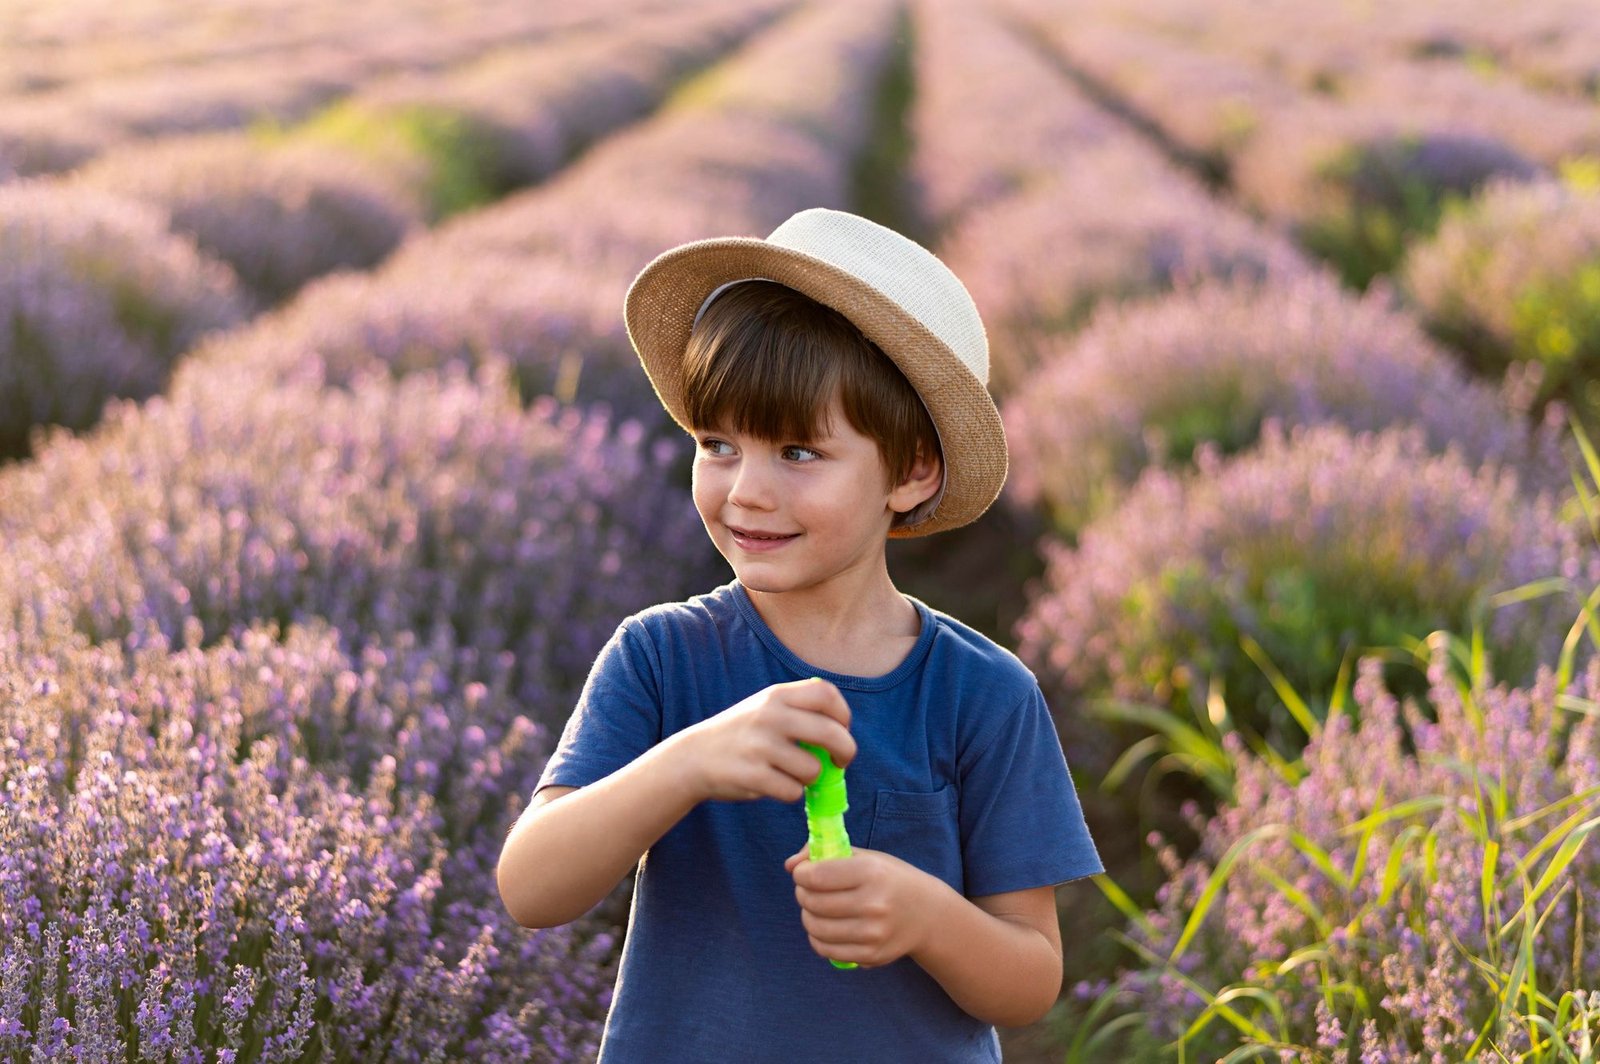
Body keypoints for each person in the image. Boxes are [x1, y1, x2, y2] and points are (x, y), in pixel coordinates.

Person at [496, 208, 1103, 1062]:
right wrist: (689, 763)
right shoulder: (662, 658)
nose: (746, 491)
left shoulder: (983, 694)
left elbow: (1030, 978)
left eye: (798, 453)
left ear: (912, 470)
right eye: (717, 444)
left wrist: (924, 914)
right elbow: (530, 886)